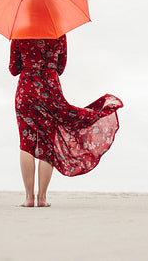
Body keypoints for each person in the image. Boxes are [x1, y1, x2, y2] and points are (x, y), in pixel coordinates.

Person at [9, 34, 124, 207]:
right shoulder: (58, 33)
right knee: (47, 144)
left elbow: (13, 69)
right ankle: (42, 198)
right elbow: (60, 68)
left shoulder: (20, 32)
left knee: (26, 143)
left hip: (26, 91)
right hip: (50, 90)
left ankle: (28, 198)